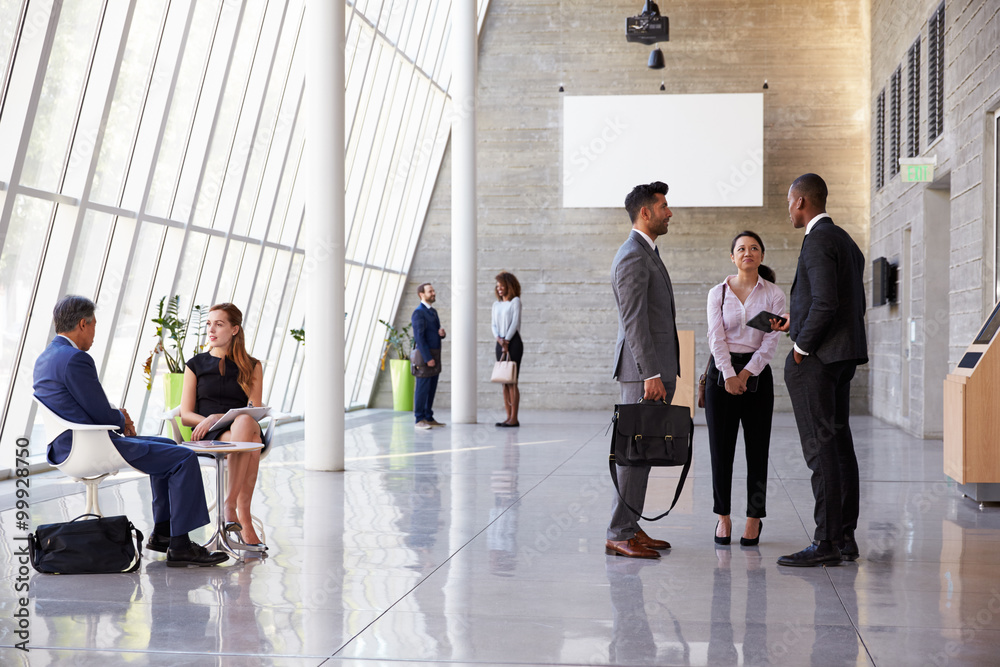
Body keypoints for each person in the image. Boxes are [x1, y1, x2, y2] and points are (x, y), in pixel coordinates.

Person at [33, 295, 228, 567]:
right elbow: (100, 413)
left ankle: (162, 534)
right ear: (82, 324)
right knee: (183, 457)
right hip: (88, 445)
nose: (94, 335)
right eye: (94, 326)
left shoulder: (47, 357)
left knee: (168, 446)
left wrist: (116, 417)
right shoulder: (75, 358)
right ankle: (181, 545)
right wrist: (121, 417)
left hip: (69, 443)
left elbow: (87, 408)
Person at [772, 173, 868, 567]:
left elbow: (826, 303)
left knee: (820, 449)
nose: (788, 209)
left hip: (819, 360)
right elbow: (842, 301)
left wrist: (800, 347)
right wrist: (795, 322)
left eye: (789, 202)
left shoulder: (816, 240)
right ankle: (844, 536)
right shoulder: (845, 239)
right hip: (842, 356)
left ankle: (825, 541)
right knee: (839, 443)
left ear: (801, 202)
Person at [606, 181, 679, 559]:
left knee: (644, 452)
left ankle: (630, 527)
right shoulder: (632, 254)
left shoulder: (647, 252)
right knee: (634, 454)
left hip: (652, 371)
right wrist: (651, 373)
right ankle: (619, 532)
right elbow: (634, 321)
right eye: (664, 206)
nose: (670, 212)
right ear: (645, 212)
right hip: (642, 374)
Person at [705, 231, 784, 547]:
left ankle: (754, 518)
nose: (747, 252)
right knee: (720, 451)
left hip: (758, 377)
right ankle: (722, 517)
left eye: (754, 248)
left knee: (757, 450)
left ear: (761, 256)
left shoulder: (773, 294)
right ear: (732, 257)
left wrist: (747, 374)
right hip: (720, 376)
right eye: (741, 248)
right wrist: (728, 374)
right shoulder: (718, 293)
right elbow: (715, 337)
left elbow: (771, 340)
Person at [181, 303, 266, 548]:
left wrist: (218, 416)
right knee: (249, 438)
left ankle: (231, 507)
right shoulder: (195, 364)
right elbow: (186, 415)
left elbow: (253, 410)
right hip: (205, 432)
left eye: (219, 324)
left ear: (235, 329)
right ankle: (242, 516)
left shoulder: (252, 365)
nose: (211, 329)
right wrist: (209, 420)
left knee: (246, 422)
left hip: (238, 428)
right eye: (209, 323)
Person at [411, 283, 446, 430]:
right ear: (421, 294)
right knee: (422, 388)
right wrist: (427, 358)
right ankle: (419, 419)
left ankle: (428, 417)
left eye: (433, 290)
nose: (433, 293)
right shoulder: (418, 312)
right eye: (430, 291)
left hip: (435, 354)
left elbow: (433, 332)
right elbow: (419, 338)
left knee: (431, 388)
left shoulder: (433, 312)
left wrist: (442, 334)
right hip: (426, 356)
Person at [492, 271, 523, 427]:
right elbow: (493, 325)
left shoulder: (515, 302)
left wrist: (507, 341)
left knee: (512, 380)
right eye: (497, 286)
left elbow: (514, 323)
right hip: (500, 343)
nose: (499, 289)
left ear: (509, 286)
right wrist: (499, 339)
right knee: (503, 381)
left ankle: (514, 417)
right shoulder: (496, 304)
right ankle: (507, 416)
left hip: (514, 342)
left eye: (502, 285)